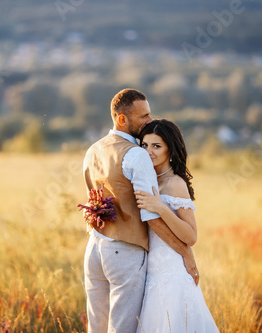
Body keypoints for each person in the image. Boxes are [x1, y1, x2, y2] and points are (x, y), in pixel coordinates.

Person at [82, 89, 199, 333]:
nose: (149, 120)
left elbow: (93, 199)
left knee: (97, 327)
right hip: (123, 252)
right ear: (122, 119)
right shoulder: (136, 154)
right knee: (123, 328)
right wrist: (185, 253)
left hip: (94, 249)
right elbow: (152, 217)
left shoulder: (93, 150)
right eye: (143, 116)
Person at [134, 119, 219, 333]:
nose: (149, 151)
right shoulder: (147, 179)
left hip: (172, 270)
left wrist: (160, 207)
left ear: (169, 150)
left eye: (156, 146)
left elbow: (191, 236)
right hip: (151, 269)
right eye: (144, 145)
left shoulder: (176, 184)